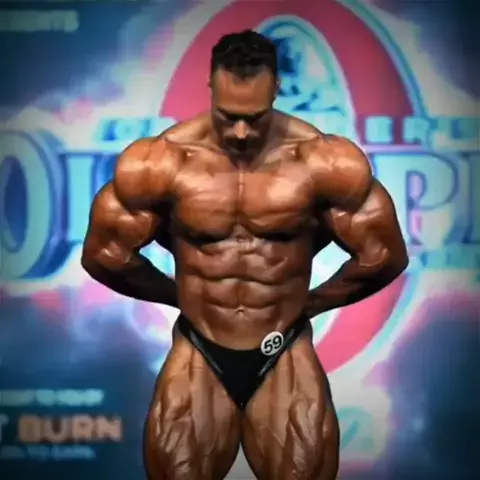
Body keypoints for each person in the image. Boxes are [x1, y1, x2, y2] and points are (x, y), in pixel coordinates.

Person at [81, 30, 409, 480]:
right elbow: (105, 254)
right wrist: (180, 297)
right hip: (199, 349)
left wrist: (312, 303)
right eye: (228, 116)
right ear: (210, 87)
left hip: (282, 347)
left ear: (276, 89)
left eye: (254, 118)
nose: (240, 132)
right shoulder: (162, 163)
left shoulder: (322, 163)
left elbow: (383, 255)